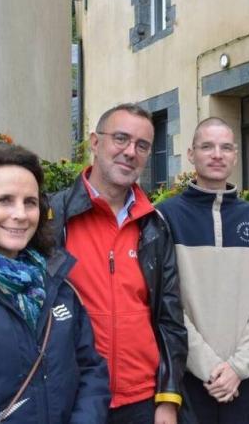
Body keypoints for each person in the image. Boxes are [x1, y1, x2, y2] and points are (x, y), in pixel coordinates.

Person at [0, 144, 110, 423]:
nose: (20, 214)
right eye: (4, 200)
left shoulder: (56, 281)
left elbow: (91, 370)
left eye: (30, 202)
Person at [49, 103, 187, 424]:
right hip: (75, 396)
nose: (130, 151)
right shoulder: (53, 216)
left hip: (141, 398)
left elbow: (170, 318)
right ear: (95, 143)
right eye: (121, 138)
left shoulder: (154, 224)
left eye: (142, 145)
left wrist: (168, 398)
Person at [158, 117, 249, 424]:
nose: (217, 154)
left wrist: (237, 368)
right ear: (190, 154)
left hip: (245, 377)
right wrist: (210, 367)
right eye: (207, 146)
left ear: (235, 155)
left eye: (226, 147)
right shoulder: (164, 218)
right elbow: (165, 301)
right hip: (187, 373)